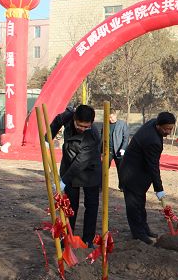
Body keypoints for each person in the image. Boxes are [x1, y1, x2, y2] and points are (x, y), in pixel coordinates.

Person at [119, 112, 176, 244]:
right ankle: (138, 234)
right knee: (134, 207)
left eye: (170, 129)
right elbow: (153, 167)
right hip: (131, 175)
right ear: (158, 125)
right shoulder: (152, 140)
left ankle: (144, 229)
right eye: (166, 129)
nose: (168, 132)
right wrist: (159, 189)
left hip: (139, 172)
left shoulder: (154, 123)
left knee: (140, 204)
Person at [49, 105, 102, 248]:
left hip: (89, 170)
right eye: (79, 125)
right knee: (70, 205)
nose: (82, 129)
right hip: (69, 165)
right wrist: (48, 139)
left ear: (91, 123)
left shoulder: (93, 136)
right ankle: (67, 237)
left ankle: (88, 239)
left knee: (91, 205)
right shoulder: (68, 115)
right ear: (74, 119)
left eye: (86, 126)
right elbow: (57, 121)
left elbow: (80, 162)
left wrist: (64, 181)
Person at [103, 111, 129, 191]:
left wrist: (123, 149)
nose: (110, 119)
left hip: (119, 150)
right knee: (104, 168)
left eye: (111, 117)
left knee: (121, 169)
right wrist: (101, 150)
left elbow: (126, 138)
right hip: (108, 150)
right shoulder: (105, 124)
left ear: (115, 115)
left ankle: (122, 186)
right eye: (109, 117)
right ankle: (101, 185)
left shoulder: (122, 124)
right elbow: (102, 138)